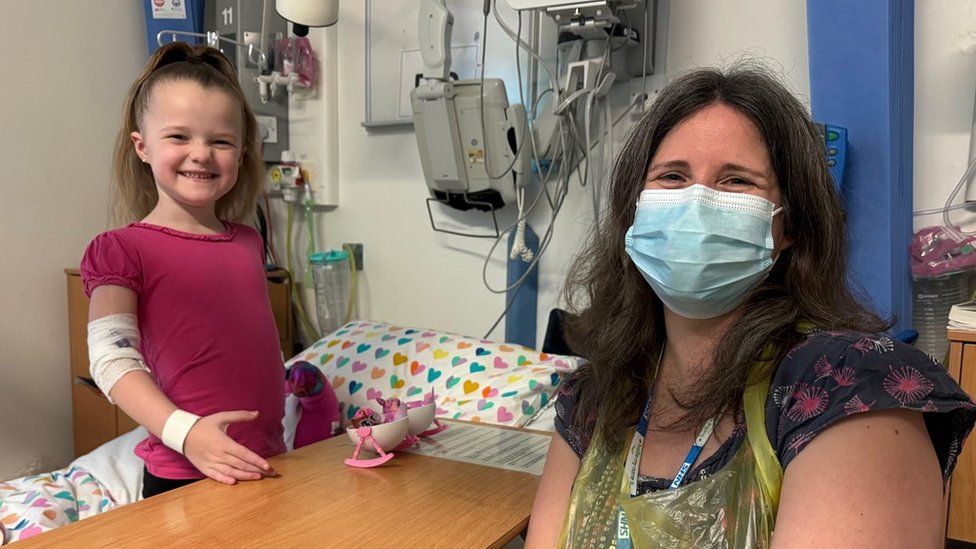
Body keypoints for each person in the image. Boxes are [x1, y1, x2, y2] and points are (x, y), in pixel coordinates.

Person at [525, 65, 976, 548]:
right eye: (672, 176)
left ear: (790, 226)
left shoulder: (843, 390)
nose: (696, 203)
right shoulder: (593, 400)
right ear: (631, 211)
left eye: (737, 181)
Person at [80, 42, 284, 499]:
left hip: (267, 459)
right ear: (143, 146)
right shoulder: (121, 249)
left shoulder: (249, 242)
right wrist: (187, 434)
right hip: (183, 474)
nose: (202, 154)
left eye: (221, 141)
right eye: (179, 137)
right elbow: (112, 361)